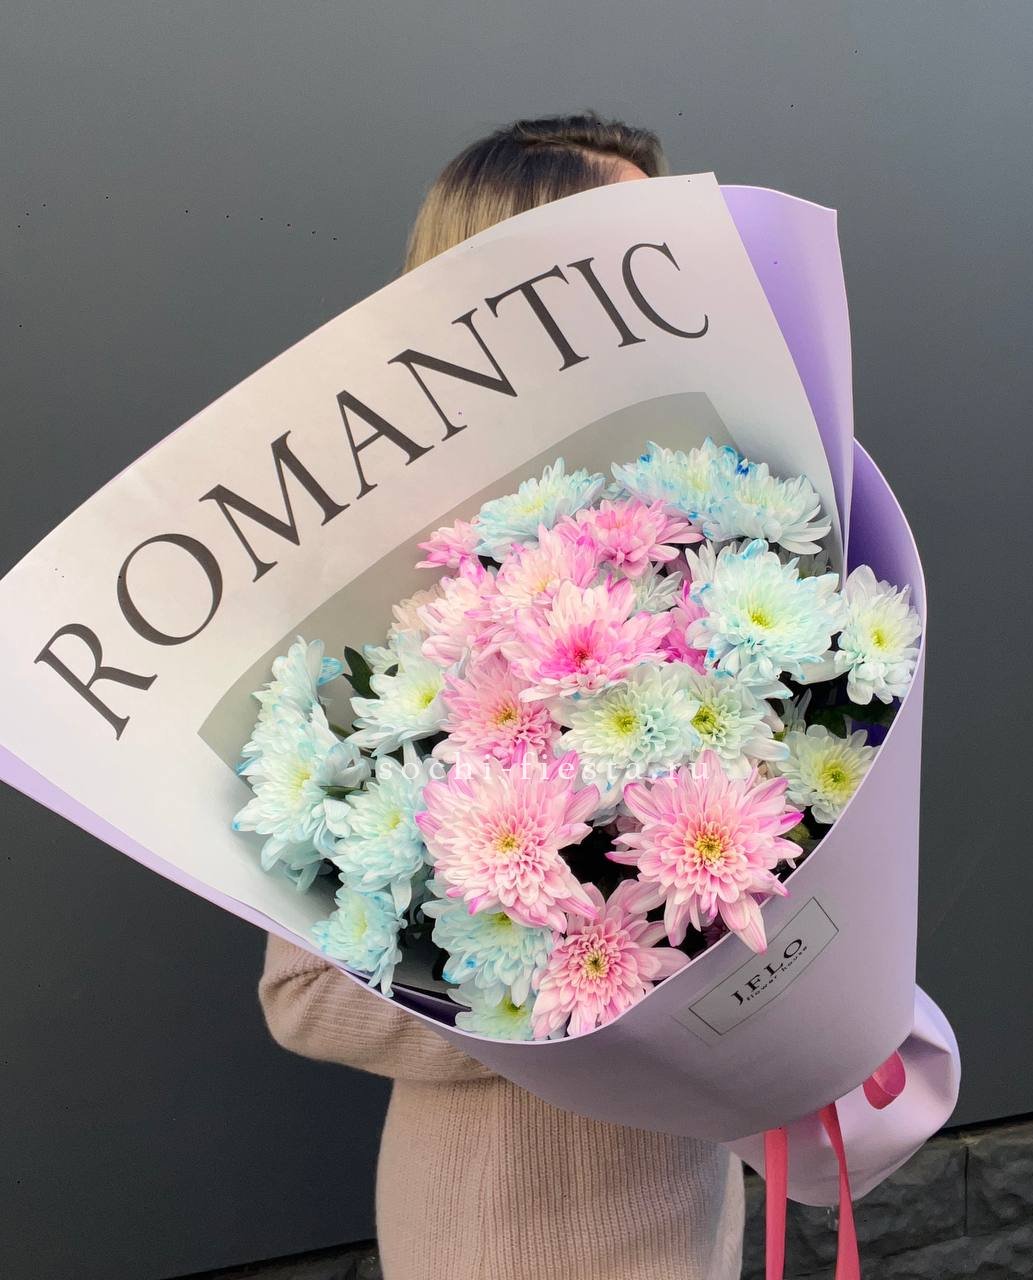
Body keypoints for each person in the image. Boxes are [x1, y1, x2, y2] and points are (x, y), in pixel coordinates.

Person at [259, 111, 746, 1280]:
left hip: (693, 1203)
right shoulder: (386, 607)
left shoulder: (704, 552)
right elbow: (306, 996)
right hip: (501, 1233)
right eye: (612, 252)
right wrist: (586, 976)